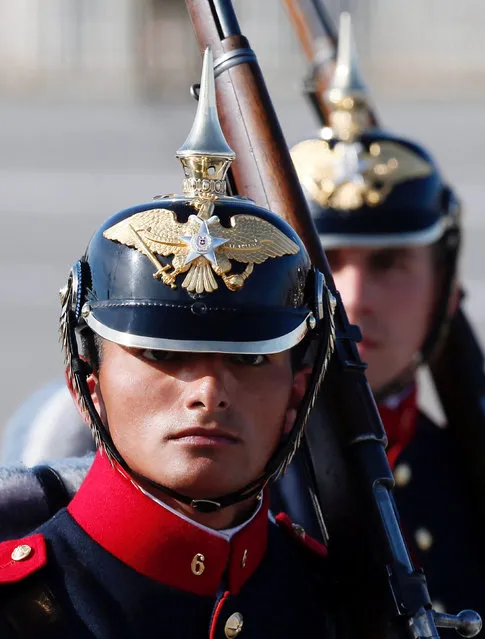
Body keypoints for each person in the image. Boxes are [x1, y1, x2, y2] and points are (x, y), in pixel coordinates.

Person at [0, 49, 339, 637]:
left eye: (252, 358)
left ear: (297, 391)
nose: (208, 392)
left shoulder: (335, 602)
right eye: (161, 353)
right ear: (87, 379)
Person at [285, 12, 485, 618]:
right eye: (329, 260)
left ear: (447, 293)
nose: (355, 295)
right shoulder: (216, 481)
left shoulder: (460, 471)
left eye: (391, 262)